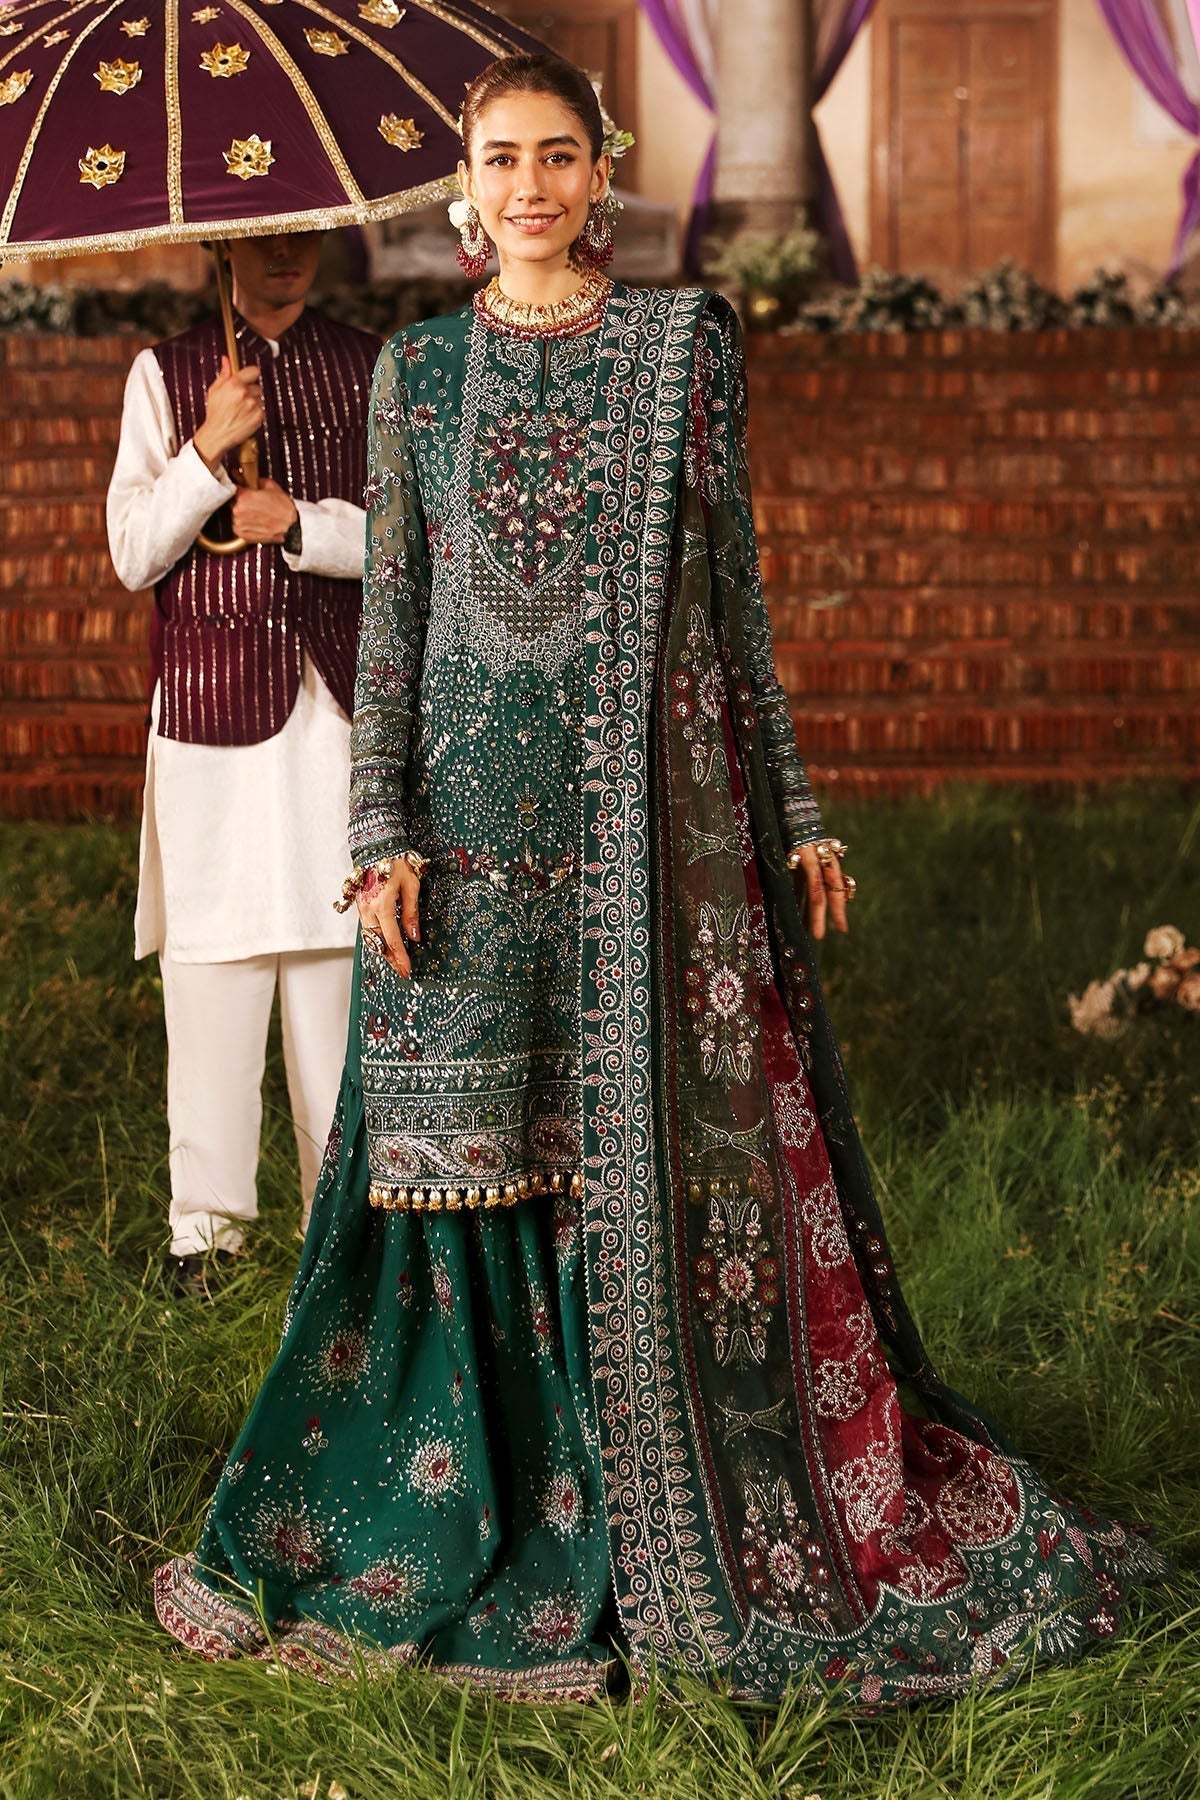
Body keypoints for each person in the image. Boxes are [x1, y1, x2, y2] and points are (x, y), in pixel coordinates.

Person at [154, 58, 1165, 1702]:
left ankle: (654, 1501)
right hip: (463, 837)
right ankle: (482, 1499)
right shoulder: (419, 374)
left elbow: (734, 591)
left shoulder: (685, 348)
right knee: (462, 1159)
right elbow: (396, 615)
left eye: (559, 155)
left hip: (650, 837)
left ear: (602, 174)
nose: (530, 187)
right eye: (502, 159)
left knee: (641, 1149)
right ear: (463, 188)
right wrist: (377, 835)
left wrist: (797, 811)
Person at [107, 233, 380, 1295]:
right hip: (208, 716)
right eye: (262, 237)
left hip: (333, 714)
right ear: (222, 243)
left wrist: (301, 522)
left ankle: (339, 1230)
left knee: (332, 962)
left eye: (301, 234)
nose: (286, 255)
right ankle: (205, 1234)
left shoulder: (370, 366)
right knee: (211, 967)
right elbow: (134, 552)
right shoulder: (163, 373)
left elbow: (419, 538)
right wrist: (207, 449)